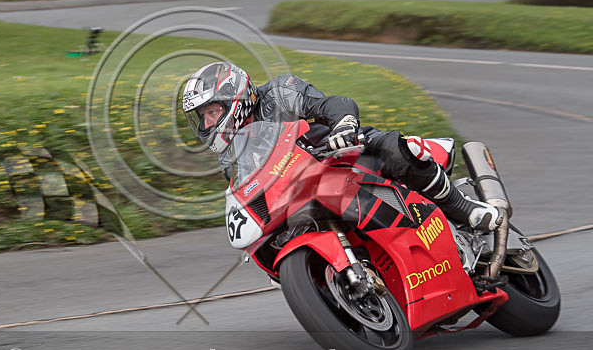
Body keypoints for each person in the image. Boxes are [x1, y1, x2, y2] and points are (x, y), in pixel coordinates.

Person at [181, 61, 501, 231]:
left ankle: (463, 208)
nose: (208, 124)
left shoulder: (279, 92)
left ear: (232, 99)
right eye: (203, 117)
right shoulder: (230, 157)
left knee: (393, 148)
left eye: (212, 112)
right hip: (299, 190)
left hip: (338, 152)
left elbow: (330, 105)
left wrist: (344, 125)